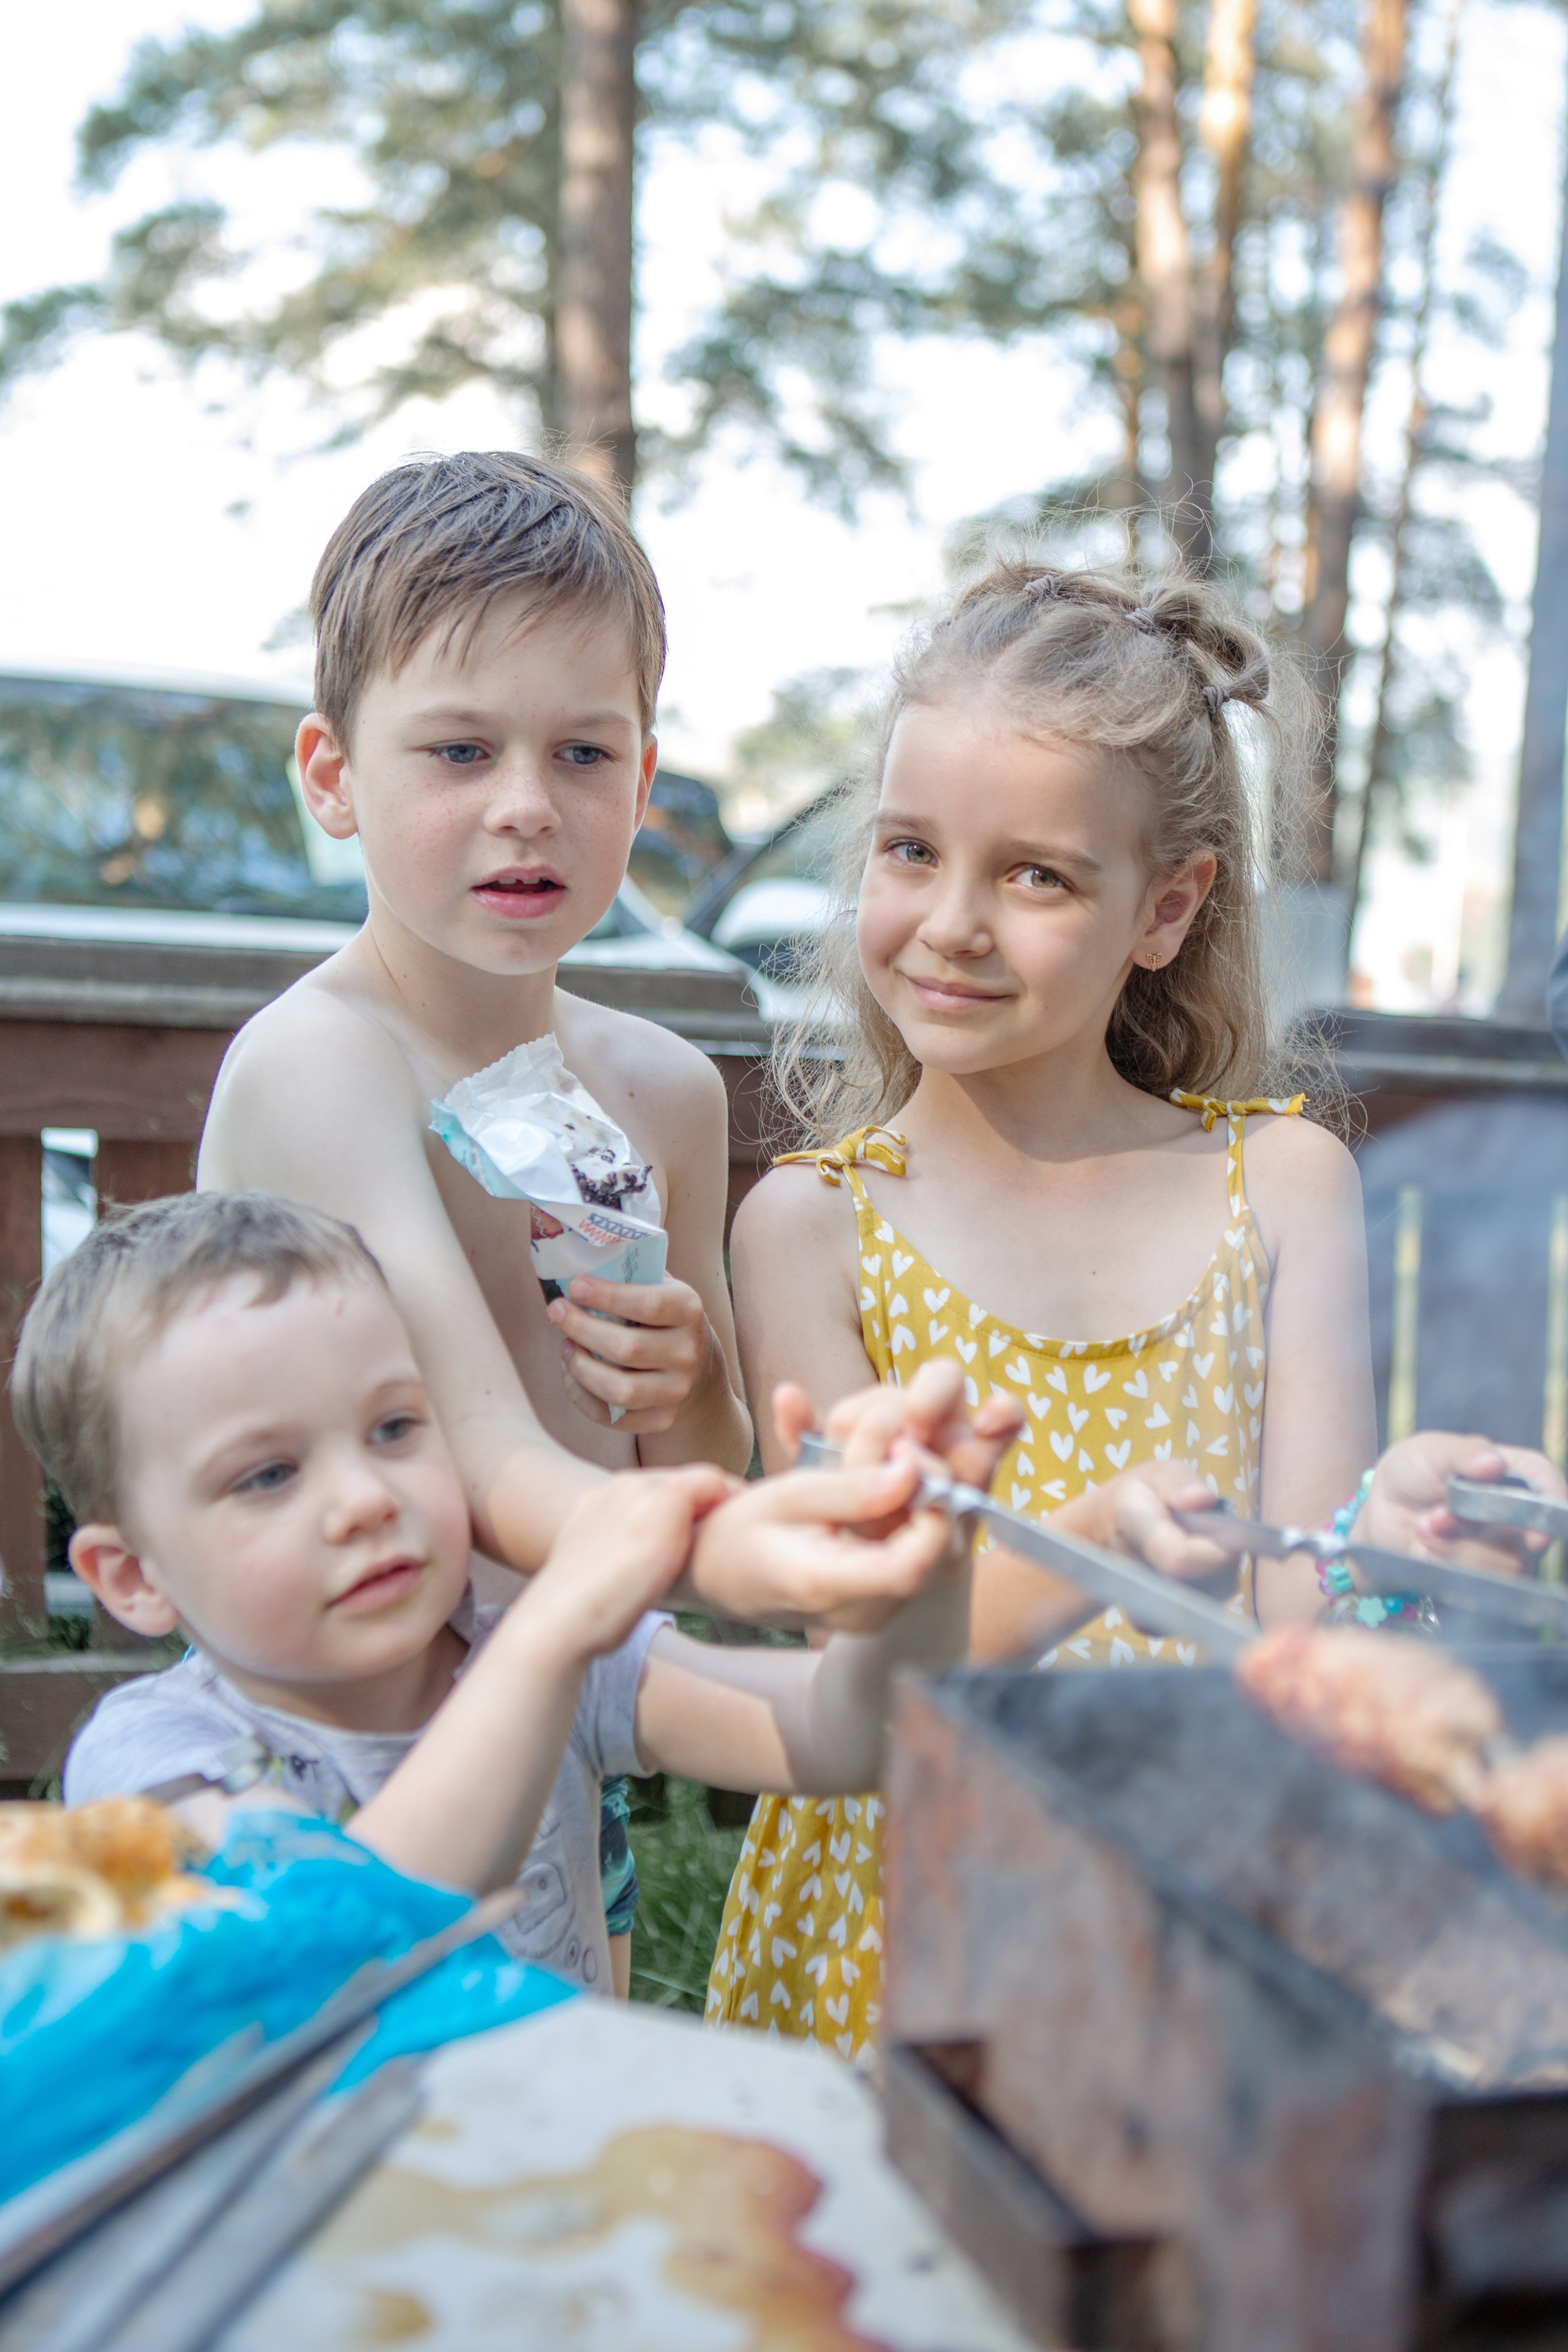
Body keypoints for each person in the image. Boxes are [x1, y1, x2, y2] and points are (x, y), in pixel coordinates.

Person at [707, 560, 1378, 2056]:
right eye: (907, 851)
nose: (947, 923)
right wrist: (1099, 1549)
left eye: (1035, 876)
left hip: (1199, 1893)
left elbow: (1310, 1618)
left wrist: (1414, 1546)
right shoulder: (810, 1227)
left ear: (1165, 908)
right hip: (911, 1917)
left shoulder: (1281, 1185)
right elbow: (866, 1665)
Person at [195, 451, 754, 1993]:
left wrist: (691, 1389)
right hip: (329, 1737)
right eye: (455, 751)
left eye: (582, 753)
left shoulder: (661, 1092)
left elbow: (688, 1494)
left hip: (576, 1715)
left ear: (643, 784)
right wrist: (774, 1547)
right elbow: (489, 1456)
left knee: (545, 2134)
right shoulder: (319, 1064)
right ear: (331, 775)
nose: (525, 807)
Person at [29, 1193, 1009, 2010]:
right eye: (269, 1475)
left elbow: (851, 1734)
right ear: (133, 1578)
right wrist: (549, 1632)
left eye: (395, 1427)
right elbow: (340, 1941)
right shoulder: (152, 1761)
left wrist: (919, 1566)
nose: (366, 1499)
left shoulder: (560, 1664)